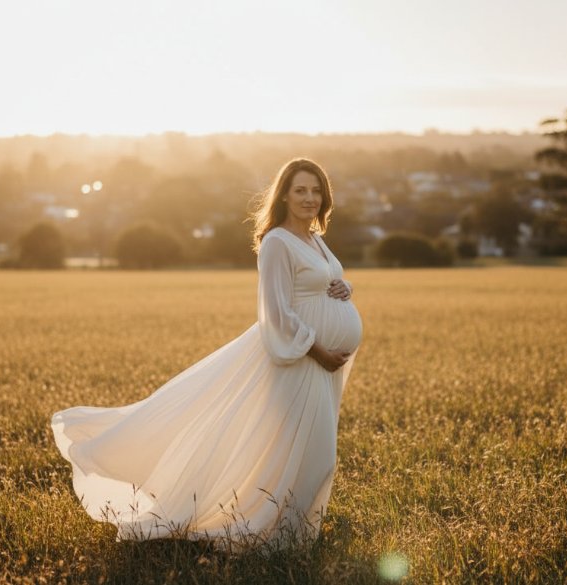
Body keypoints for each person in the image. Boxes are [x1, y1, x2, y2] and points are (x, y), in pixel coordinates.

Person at [51, 157, 362, 550]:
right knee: (308, 452)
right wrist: (319, 352)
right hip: (301, 360)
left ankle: (296, 532)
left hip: (323, 363)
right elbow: (276, 312)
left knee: (315, 451)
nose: (309, 198)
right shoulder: (277, 242)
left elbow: (322, 282)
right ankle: (275, 534)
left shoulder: (314, 239)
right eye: (300, 190)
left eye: (316, 191)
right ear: (283, 195)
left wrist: (344, 288)